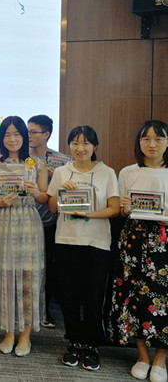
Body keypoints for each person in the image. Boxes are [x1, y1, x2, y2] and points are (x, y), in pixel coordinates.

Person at [48, 125, 120, 371]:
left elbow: (115, 208)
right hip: (66, 241)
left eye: (86, 143)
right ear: (69, 145)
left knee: (93, 296)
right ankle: (74, 342)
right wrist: (61, 191)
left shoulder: (107, 172)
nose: (80, 148)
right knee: (68, 296)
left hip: (96, 243)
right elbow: (52, 207)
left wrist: (90, 213)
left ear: (94, 146)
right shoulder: (62, 171)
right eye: (75, 143)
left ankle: (92, 345)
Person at [107, 120, 168, 382]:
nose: (152, 144)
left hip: (164, 240)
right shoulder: (127, 172)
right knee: (132, 294)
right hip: (133, 240)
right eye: (146, 138)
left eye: (158, 138)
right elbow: (123, 210)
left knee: (163, 298)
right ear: (138, 142)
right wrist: (127, 207)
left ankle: (161, 359)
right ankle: (142, 355)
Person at [0, 116, 48, 357]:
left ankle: (26, 333)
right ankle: (9, 330)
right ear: (1, 138)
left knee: (29, 276)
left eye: (17, 134)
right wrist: (0, 202)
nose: (12, 139)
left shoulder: (37, 165)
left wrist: (36, 192)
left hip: (29, 223)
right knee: (6, 276)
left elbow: (45, 198)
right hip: (3, 222)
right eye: (7, 135)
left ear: (24, 136)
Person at [27, 114, 68, 328]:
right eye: (27, 131)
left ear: (47, 134)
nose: (29, 136)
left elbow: (73, 189)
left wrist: (57, 177)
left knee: (47, 268)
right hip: (23, 221)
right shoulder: (20, 158)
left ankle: (44, 310)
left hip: (49, 222)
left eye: (33, 132)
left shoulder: (62, 161)